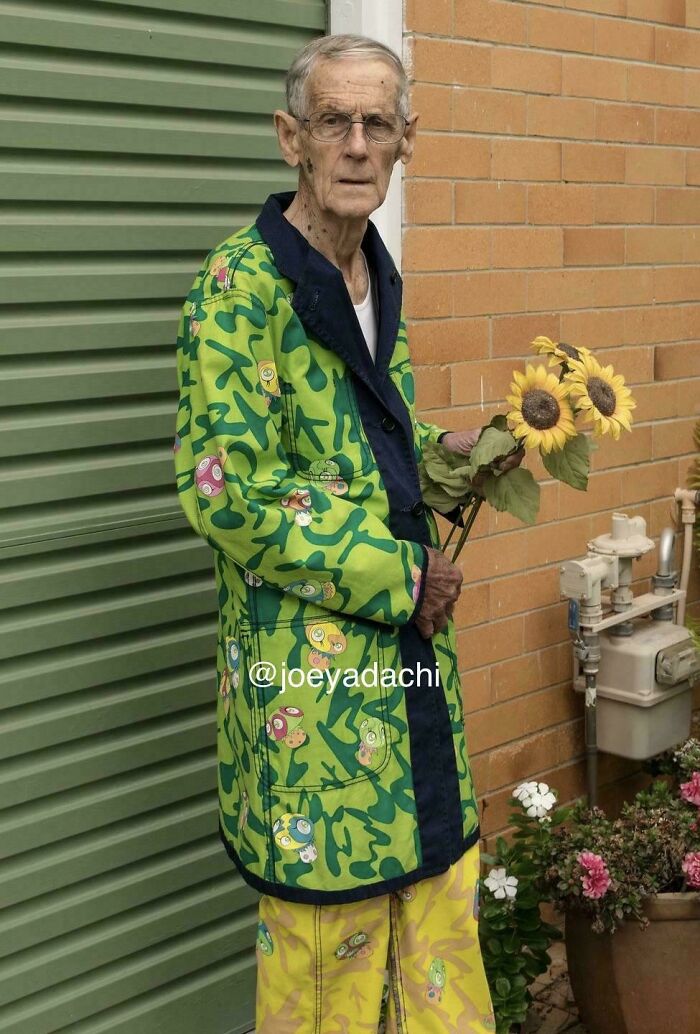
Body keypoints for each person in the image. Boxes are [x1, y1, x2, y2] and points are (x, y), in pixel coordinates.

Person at [173, 33, 506, 1034]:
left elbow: (346, 453)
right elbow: (226, 490)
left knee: (437, 921)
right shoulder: (239, 290)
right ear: (292, 138)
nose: (356, 145)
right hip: (310, 709)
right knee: (330, 962)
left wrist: (445, 457)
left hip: (404, 690)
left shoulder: (371, 273)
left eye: (377, 123)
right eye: (334, 121)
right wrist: (400, 576)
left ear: (408, 140)